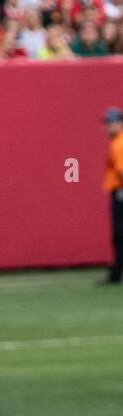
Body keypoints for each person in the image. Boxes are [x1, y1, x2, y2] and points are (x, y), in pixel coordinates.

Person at [102, 106, 123, 285]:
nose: (109, 126)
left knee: (119, 234)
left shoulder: (119, 144)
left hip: (121, 194)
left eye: (112, 122)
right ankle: (115, 272)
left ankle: (115, 274)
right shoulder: (117, 142)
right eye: (107, 122)